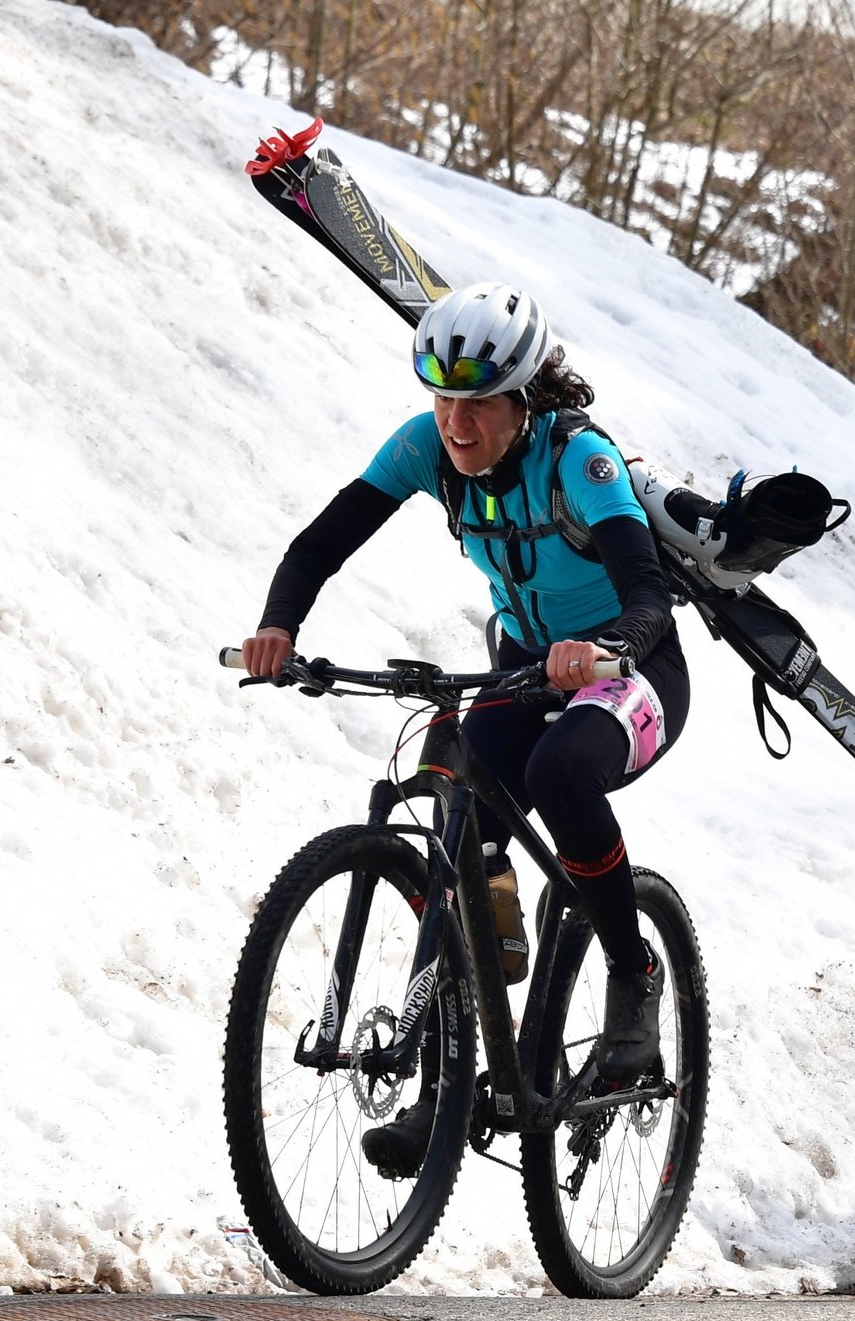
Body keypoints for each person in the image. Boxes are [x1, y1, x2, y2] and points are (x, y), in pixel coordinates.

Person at [239, 281, 689, 1175]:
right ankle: (443, 1088)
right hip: (522, 667)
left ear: (522, 401)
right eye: (442, 397)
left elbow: (645, 588)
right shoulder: (425, 449)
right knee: (459, 810)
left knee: (562, 772)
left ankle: (633, 972)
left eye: (477, 401)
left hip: (628, 671)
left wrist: (603, 646)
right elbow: (319, 544)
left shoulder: (579, 461)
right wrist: (279, 625)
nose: (456, 420)